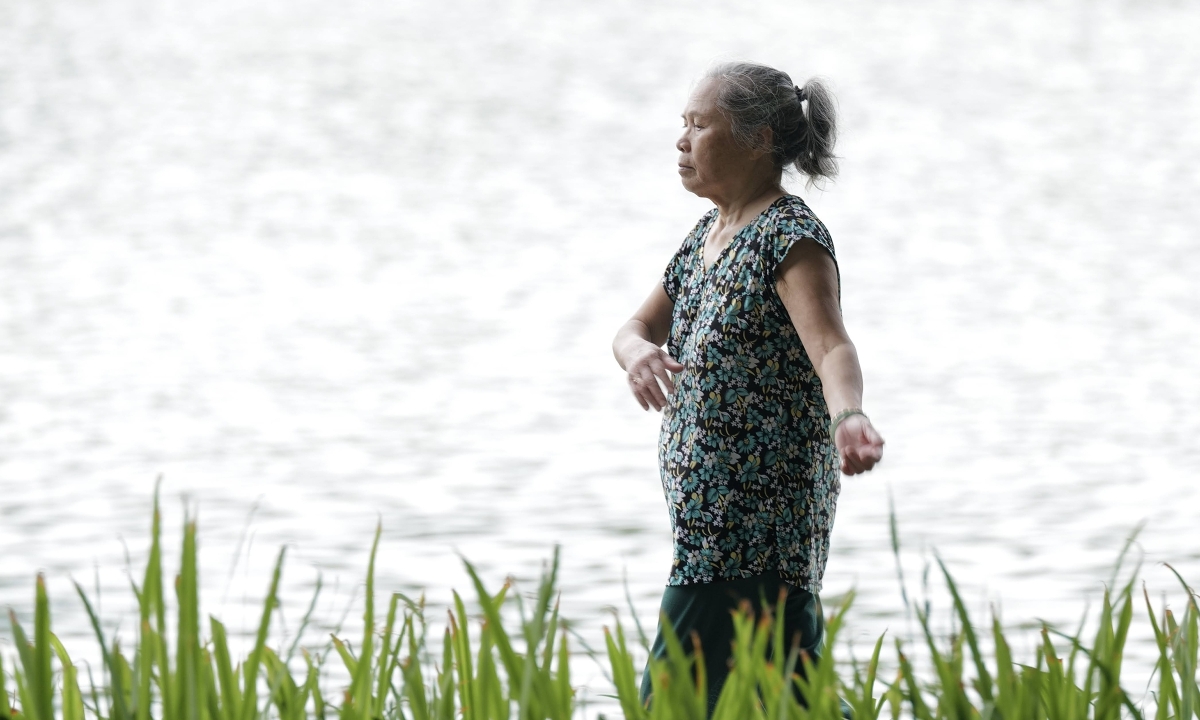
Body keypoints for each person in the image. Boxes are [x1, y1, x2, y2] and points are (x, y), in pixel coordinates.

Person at [611, 61, 885, 714]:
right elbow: (634, 328)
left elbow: (831, 346)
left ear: (758, 139)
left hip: (752, 526)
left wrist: (849, 415)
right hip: (708, 526)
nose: (682, 140)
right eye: (683, 123)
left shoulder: (789, 238)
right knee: (785, 693)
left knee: (671, 700)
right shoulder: (705, 237)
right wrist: (638, 354)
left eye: (700, 125)